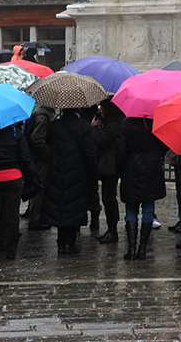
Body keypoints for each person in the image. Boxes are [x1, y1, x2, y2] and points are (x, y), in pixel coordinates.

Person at [0, 119, 37, 260]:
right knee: (12, 215)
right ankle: (11, 250)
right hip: (13, 178)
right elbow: (25, 157)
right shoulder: (17, 134)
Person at [40, 106, 98, 255]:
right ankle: (70, 242)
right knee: (74, 206)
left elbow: (47, 142)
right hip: (77, 171)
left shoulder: (54, 126)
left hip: (57, 170)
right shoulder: (84, 127)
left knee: (60, 204)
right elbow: (89, 153)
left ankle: (60, 243)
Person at [116, 116, 167, 261]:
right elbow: (164, 145)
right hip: (151, 167)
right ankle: (142, 248)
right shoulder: (156, 123)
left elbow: (120, 148)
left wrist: (119, 169)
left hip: (131, 166)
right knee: (148, 205)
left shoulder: (127, 124)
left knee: (131, 206)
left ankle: (131, 250)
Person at [93, 100, 124, 244]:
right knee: (108, 197)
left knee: (109, 198)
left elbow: (99, 142)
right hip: (108, 166)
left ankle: (113, 230)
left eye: (102, 107)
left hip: (109, 167)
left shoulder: (113, 125)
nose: (100, 109)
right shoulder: (112, 123)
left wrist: (94, 128)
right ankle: (111, 230)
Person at [23, 101, 53, 230]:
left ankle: (30, 212)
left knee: (35, 183)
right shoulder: (44, 116)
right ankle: (34, 220)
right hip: (39, 158)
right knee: (39, 187)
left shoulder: (37, 112)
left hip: (33, 156)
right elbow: (37, 138)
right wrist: (47, 153)